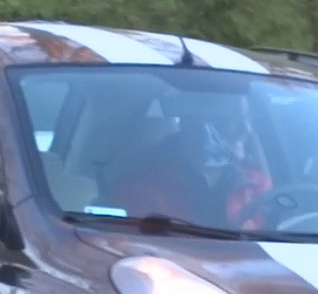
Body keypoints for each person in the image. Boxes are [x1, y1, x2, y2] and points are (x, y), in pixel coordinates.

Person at [110, 95, 273, 228]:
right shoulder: (144, 184)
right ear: (193, 126)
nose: (246, 130)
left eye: (248, 119)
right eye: (231, 120)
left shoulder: (257, 185)